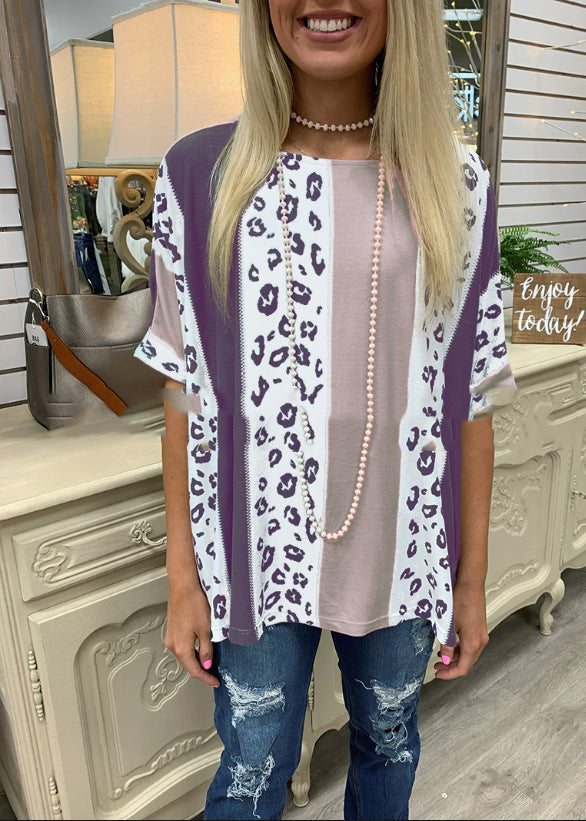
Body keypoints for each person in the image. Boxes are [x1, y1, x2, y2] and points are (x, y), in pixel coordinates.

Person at [134, 1, 517, 819]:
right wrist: (182, 578)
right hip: (253, 555)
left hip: (402, 550)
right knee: (250, 768)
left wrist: (473, 582)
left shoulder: (456, 185)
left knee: (388, 744)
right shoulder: (200, 177)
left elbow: (471, 399)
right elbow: (182, 390)